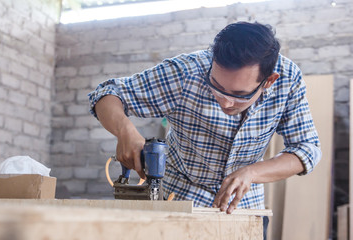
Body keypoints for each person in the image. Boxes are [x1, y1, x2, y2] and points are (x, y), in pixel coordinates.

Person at [88, 21, 321, 233]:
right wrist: (125, 130)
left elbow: (307, 148)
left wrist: (252, 172)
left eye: (240, 95)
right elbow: (107, 93)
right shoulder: (185, 72)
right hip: (179, 199)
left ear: (269, 81)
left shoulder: (289, 80)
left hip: (243, 207)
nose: (226, 102)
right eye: (217, 86)